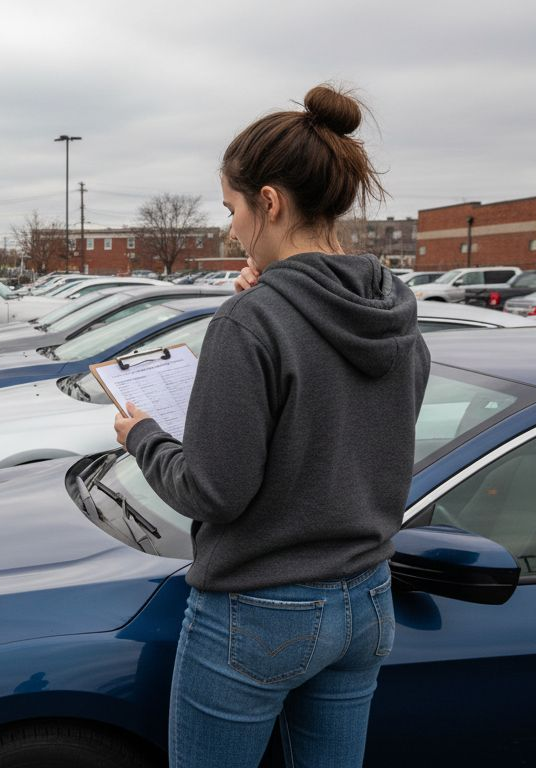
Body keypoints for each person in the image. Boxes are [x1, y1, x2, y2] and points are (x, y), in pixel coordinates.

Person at [113, 84, 431, 768]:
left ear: (270, 202)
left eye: (231, 209)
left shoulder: (250, 323)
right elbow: (365, 435)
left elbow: (214, 492)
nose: (231, 228)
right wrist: (275, 293)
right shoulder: (395, 311)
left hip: (262, 610)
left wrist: (141, 436)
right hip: (369, 598)